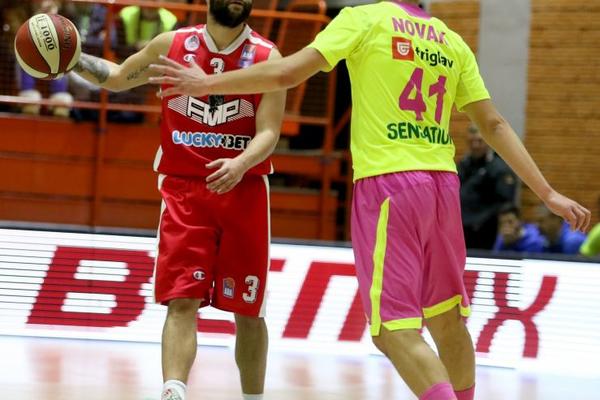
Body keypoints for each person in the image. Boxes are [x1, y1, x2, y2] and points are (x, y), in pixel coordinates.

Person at [148, 1, 591, 399]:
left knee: (393, 330)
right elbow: (493, 124)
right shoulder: (450, 39)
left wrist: (207, 83)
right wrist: (547, 193)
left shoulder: (364, 19)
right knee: (447, 319)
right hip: (442, 186)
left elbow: (286, 73)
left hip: (389, 184)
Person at [72, 0, 286, 399]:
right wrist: (72, 59)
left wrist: (240, 164)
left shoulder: (266, 56)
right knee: (181, 300)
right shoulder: (171, 45)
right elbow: (117, 77)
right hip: (185, 192)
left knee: (248, 312)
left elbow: (269, 131)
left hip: (244, 192)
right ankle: (173, 391)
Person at [458, 125, 517, 249]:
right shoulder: (463, 165)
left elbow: (505, 202)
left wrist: (479, 220)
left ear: (488, 141)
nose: (475, 145)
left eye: (479, 141)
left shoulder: (499, 168)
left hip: (486, 231)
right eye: (471, 141)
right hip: (461, 229)